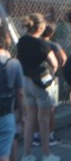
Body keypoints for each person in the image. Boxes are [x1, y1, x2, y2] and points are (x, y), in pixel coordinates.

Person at [17, 13, 59, 161]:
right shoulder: (42, 44)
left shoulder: (21, 41)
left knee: (29, 119)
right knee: (44, 119)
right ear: (41, 27)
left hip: (26, 80)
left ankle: (26, 154)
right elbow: (54, 63)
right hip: (41, 83)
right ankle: (46, 154)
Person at [0, 27, 25, 161]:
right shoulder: (14, 64)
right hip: (6, 112)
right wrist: (22, 113)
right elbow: (20, 93)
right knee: (4, 153)